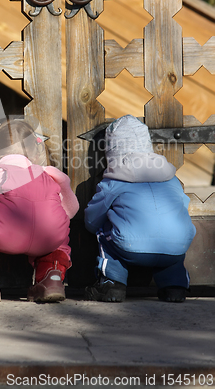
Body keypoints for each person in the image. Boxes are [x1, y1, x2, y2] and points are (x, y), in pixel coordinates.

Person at [0, 119, 79, 305]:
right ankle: (52, 277)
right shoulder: (50, 174)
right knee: (60, 224)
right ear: (36, 150)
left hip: (4, 235)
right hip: (48, 238)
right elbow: (71, 209)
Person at [84, 115, 196, 303]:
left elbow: (92, 219)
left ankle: (112, 284)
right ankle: (175, 286)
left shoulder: (114, 179)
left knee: (103, 232)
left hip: (130, 247)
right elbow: (183, 207)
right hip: (177, 246)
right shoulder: (171, 177)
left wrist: (92, 225)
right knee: (174, 233)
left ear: (111, 151)